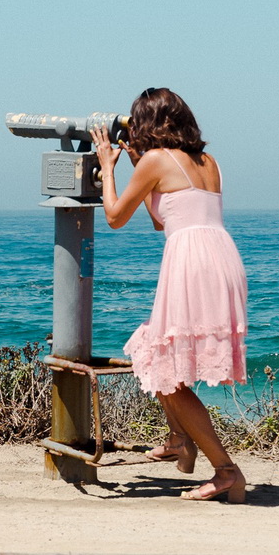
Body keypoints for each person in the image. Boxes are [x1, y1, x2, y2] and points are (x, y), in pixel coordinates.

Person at [90, 88, 248, 503]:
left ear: (148, 122)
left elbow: (113, 217)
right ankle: (180, 440)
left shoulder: (158, 160)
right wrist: (142, 172)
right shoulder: (207, 162)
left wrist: (110, 168)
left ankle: (226, 470)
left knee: (164, 370)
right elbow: (163, 220)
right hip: (219, 257)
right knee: (160, 360)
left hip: (191, 263)